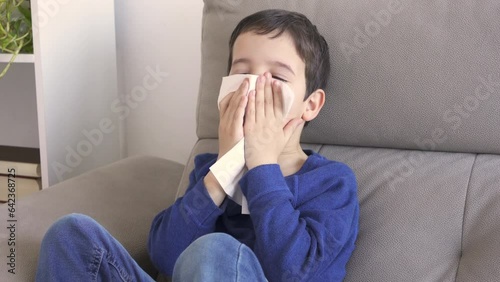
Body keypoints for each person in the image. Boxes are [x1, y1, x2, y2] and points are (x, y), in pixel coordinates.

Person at [35, 9, 359, 282]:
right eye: (242, 72)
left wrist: (263, 165)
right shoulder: (208, 169)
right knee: (70, 233)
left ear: (311, 105)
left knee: (214, 249)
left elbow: (297, 271)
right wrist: (225, 169)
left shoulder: (331, 181)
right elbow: (165, 257)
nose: (254, 88)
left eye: (277, 77)